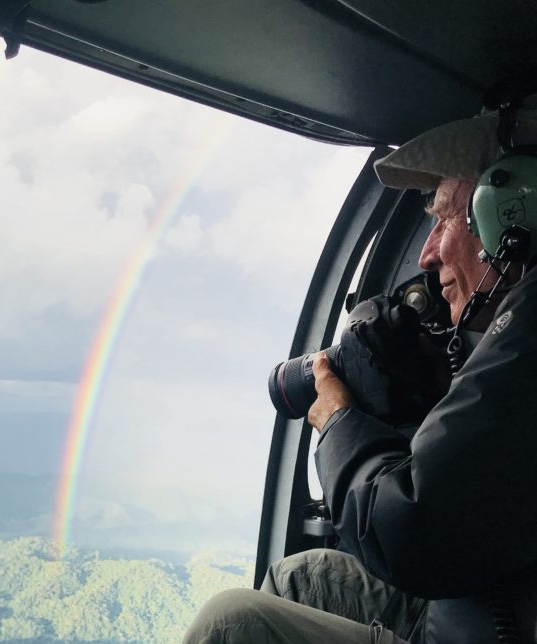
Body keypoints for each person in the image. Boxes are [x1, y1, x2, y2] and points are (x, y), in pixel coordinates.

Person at [183, 97, 537, 644]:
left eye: (444, 218)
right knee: (301, 579)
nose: (427, 254)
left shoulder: (529, 324)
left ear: (509, 209)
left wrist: (338, 418)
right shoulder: (507, 333)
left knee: (231, 623)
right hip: (471, 606)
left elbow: (412, 530)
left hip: (484, 623)